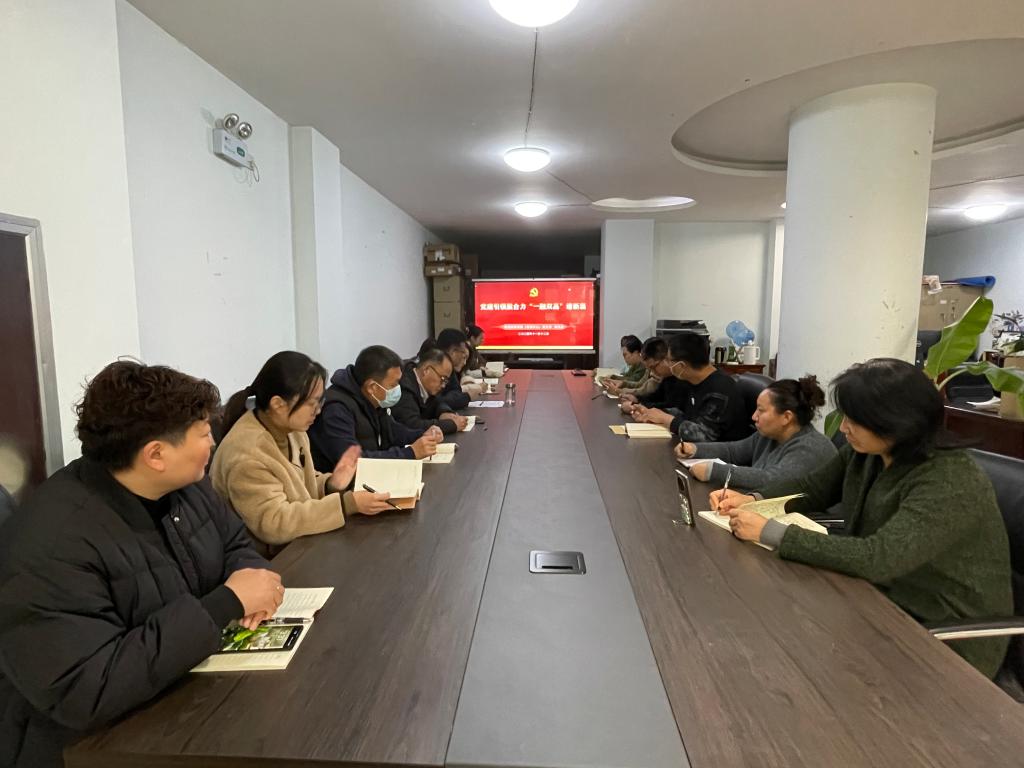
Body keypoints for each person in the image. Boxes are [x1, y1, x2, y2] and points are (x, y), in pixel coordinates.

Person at [0, 361, 281, 767]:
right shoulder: (53, 544)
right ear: (156, 454)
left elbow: (234, 542)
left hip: (181, 695)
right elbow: (86, 689)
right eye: (204, 433)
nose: (213, 443)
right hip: (84, 747)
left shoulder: (186, 486)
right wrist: (224, 604)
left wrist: (250, 575)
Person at [715, 358, 1012, 679]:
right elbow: (813, 488)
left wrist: (771, 532)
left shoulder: (950, 479)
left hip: (943, 634)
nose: (843, 428)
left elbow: (878, 557)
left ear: (896, 421)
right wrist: (754, 500)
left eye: (854, 420)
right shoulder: (870, 452)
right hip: (877, 598)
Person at [211, 352, 395, 551]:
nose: (318, 411)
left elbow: (300, 485)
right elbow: (275, 522)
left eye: (320, 402)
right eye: (311, 403)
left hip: (299, 544)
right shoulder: (247, 454)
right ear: (278, 404)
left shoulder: (292, 429)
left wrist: (331, 484)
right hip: (268, 558)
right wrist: (346, 504)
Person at [676, 376, 836, 488]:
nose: (754, 416)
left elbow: (770, 480)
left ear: (786, 417)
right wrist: (694, 449)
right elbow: (733, 451)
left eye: (761, 410)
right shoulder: (770, 434)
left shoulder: (810, 448)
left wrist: (713, 471)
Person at [309, 345, 442, 471]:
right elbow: (352, 462)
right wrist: (410, 453)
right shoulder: (336, 410)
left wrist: (422, 435)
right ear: (372, 387)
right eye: (393, 385)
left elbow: (392, 431)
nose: (398, 389)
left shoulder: (372, 399)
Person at [631, 332, 749, 442]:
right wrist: (651, 413)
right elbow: (686, 415)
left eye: (669, 360)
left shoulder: (720, 388)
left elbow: (703, 435)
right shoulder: (694, 381)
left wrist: (666, 419)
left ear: (681, 365)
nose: (667, 364)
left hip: (720, 453)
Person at [392, 347, 469, 436]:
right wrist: (451, 425)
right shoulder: (404, 388)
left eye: (446, 381)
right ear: (426, 371)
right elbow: (412, 425)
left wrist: (444, 413)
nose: (443, 385)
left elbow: (437, 402)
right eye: (443, 379)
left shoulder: (426, 385)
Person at [429, 328, 475, 410]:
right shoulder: (432, 368)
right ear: (453, 352)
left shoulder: (449, 368)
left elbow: (456, 392)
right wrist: (468, 396)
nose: (464, 362)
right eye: (462, 352)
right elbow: (436, 403)